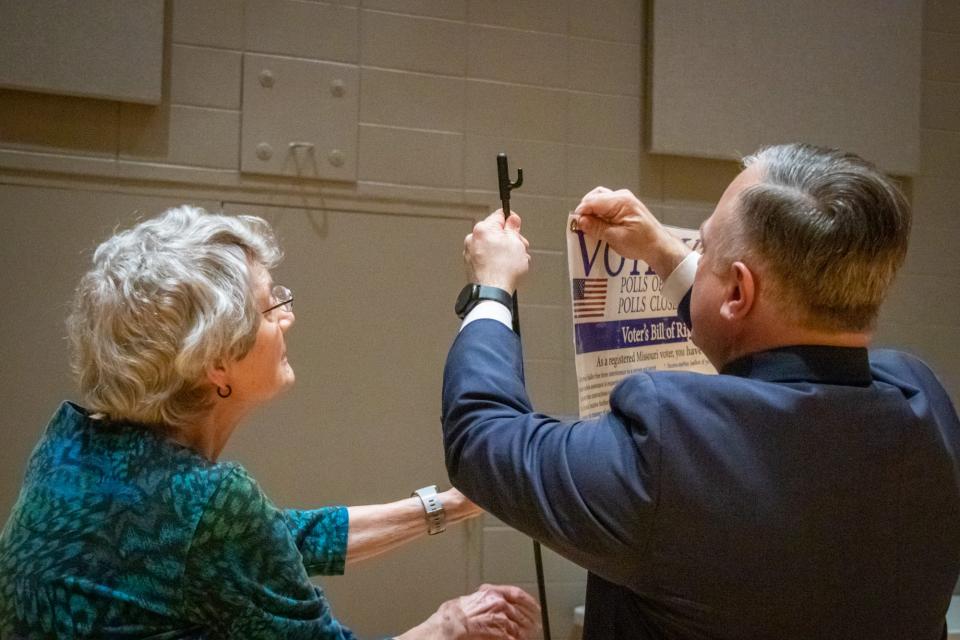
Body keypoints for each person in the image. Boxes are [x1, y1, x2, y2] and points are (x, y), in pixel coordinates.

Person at [442, 143, 960, 639]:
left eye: (703, 246)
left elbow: (483, 438)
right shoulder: (924, 404)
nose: (694, 251)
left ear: (737, 291)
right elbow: (773, 350)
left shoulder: (670, 441)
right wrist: (664, 255)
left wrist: (492, 289)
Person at [0, 206, 539, 639]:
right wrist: (451, 625)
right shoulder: (210, 503)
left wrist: (453, 504)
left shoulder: (71, 442)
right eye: (269, 306)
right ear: (214, 362)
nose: (288, 315)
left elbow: (270, 540)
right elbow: (241, 537)